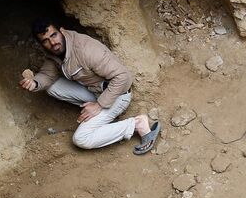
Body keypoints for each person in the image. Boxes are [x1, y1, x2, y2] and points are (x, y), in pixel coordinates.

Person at [19, 18, 160, 154]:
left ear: (61, 31)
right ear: (42, 44)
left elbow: (124, 77)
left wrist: (98, 105)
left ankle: (136, 124)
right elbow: (48, 74)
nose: (53, 42)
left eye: (54, 35)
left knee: (81, 139)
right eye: (46, 41)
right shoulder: (57, 52)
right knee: (50, 86)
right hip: (94, 91)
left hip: (117, 95)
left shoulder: (86, 50)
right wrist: (35, 83)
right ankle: (104, 116)